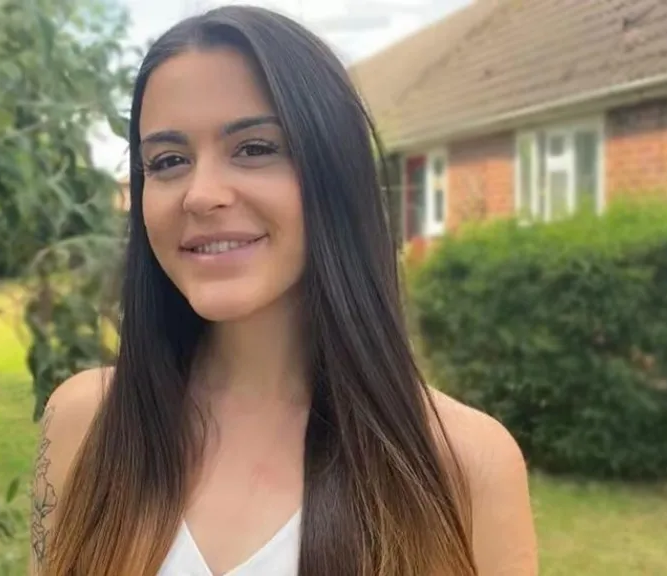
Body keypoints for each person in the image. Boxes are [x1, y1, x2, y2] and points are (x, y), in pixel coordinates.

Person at [29, 5, 536, 576]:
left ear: (333, 171)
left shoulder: (464, 466)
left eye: (254, 148)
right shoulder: (84, 422)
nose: (202, 194)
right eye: (168, 161)